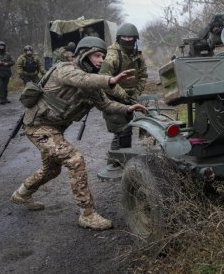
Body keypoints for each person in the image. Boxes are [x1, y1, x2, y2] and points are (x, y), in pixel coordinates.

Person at [10, 36, 147, 231]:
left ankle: (22, 194)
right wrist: (111, 80)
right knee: (75, 160)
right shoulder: (64, 69)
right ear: (84, 54)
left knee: (51, 170)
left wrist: (128, 109)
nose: (101, 60)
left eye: (103, 57)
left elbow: (106, 105)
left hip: (54, 130)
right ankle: (87, 214)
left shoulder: (93, 85)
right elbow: (81, 79)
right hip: (38, 127)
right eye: (97, 56)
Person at [99, 23, 148, 150]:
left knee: (129, 130)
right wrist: (124, 96)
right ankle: (116, 163)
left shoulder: (137, 55)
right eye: (124, 37)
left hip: (131, 98)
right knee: (122, 132)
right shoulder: (112, 55)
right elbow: (104, 80)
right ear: (119, 38)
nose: (127, 40)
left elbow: (143, 76)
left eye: (130, 37)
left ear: (135, 39)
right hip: (114, 99)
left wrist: (135, 95)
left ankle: (121, 160)